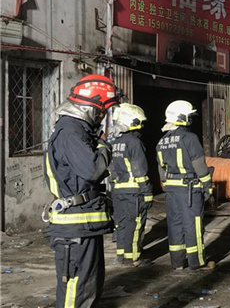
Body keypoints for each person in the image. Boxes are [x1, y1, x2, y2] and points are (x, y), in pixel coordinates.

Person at [43, 74, 120, 308]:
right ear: (91, 107)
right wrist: (104, 145)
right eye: (102, 112)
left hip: (83, 225)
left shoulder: (78, 131)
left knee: (87, 287)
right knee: (76, 290)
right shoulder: (71, 131)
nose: (103, 117)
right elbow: (92, 170)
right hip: (75, 227)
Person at [156, 100, 214, 270]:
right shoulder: (190, 138)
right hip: (189, 189)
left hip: (171, 190)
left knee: (175, 224)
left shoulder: (162, 141)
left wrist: (168, 184)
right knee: (192, 225)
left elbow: (161, 169)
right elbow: (199, 165)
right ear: (181, 117)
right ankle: (197, 262)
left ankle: (177, 262)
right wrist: (207, 185)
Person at [108, 103, 153, 267]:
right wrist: (147, 192)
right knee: (134, 224)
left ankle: (122, 255)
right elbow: (139, 170)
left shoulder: (115, 143)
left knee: (122, 223)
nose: (141, 126)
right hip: (134, 191)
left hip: (118, 190)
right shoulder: (134, 142)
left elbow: (112, 169)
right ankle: (133, 258)